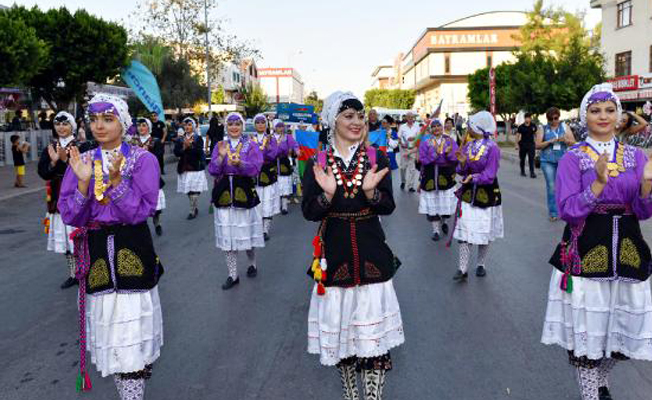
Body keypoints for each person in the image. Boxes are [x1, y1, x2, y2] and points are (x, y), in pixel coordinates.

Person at [541, 83, 652, 400]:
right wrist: (599, 186)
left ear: (618, 115)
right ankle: (591, 394)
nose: (603, 116)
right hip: (586, 252)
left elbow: (644, 212)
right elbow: (568, 210)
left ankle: (600, 382)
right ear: (584, 117)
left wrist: (646, 186)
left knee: (622, 335)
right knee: (588, 338)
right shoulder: (573, 157)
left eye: (609, 109)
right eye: (594, 110)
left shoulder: (635, 155)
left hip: (629, 253)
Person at [58, 93, 164, 399]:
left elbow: (140, 211)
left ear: (123, 122)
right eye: (93, 120)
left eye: (108, 119)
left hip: (133, 246)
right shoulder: (83, 161)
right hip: (97, 252)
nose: (99, 126)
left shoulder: (144, 160)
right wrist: (81, 184)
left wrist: (117, 181)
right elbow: (70, 215)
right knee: (113, 336)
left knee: (132, 334)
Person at [302, 91, 404, 400]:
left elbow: (388, 207)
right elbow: (309, 211)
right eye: (348, 116)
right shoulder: (319, 162)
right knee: (344, 340)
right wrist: (328, 195)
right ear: (333, 121)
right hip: (335, 258)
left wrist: (372, 193)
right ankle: (351, 395)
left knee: (373, 342)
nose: (357, 122)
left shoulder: (376, 158)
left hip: (372, 253)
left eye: (360, 116)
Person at [208, 112, 264, 290]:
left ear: (242, 126)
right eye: (230, 124)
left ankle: (252, 263)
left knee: (246, 231)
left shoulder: (251, 145)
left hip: (244, 191)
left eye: (237, 124)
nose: (233, 127)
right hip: (224, 192)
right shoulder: (220, 145)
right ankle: (233, 275)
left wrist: (240, 163)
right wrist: (221, 157)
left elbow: (256, 168)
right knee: (227, 235)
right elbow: (213, 170)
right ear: (226, 126)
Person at [38, 112, 94, 289]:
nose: (61, 127)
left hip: (77, 197)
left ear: (72, 126)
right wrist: (54, 163)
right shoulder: (50, 148)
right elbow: (43, 173)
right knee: (65, 241)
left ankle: (88, 270)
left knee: (81, 237)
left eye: (65, 124)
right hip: (56, 198)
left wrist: (64, 161)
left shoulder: (83, 146)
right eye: (58, 124)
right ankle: (73, 274)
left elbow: (87, 172)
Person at [452, 111, 504, 281]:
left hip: (486, 195)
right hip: (468, 194)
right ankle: (462, 269)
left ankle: (481, 264)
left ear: (478, 127)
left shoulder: (493, 148)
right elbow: (461, 171)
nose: (468, 128)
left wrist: (473, 177)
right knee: (465, 231)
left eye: (470, 126)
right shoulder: (468, 146)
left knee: (483, 231)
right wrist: (461, 162)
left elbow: (489, 175)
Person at [418, 119, 458, 241]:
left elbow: (456, 158)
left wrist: (447, 154)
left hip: (445, 176)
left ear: (442, 127)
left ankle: (445, 221)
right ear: (431, 129)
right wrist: (434, 154)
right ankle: (435, 231)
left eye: (438, 126)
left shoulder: (449, 141)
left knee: (445, 204)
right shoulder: (426, 142)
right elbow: (423, 160)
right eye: (434, 127)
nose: (436, 128)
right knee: (432, 204)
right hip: (430, 176)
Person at [536, 107, 576, 222]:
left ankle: (564, 210)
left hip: (563, 161)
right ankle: (553, 212)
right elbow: (537, 145)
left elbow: (573, 143)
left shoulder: (564, 127)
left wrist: (566, 141)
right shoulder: (542, 128)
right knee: (552, 187)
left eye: (556, 118)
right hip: (547, 161)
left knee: (564, 186)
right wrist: (549, 141)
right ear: (548, 119)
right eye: (552, 119)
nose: (554, 120)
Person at [130, 118, 166, 236]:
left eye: (144, 125)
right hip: (137, 176)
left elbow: (159, 156)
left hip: (151, 174)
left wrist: (148, 153)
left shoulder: (155, 141)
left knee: (155, 205)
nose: (141, 128)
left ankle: (157, 222)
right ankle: (142, 226)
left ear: (148, 127)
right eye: (139, 125)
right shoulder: (133, 142)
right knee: (139, 203)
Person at [251, 113, 280, 240]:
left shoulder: (271, 139)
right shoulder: (250, 139)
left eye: (263, 122)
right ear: (254, 125)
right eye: (258, 122)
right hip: (254, 175)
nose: (260, 124)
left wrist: (267, 146)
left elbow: (273, 155)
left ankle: (265, 230)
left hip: (268, 174)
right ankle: (257, 229)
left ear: (266, 124)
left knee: (267, 202)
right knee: (257, 203)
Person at [174, 117, 208, 219]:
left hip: (195, 166)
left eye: (189, 125)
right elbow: (176, 152)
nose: (187, 127)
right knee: (189, 190)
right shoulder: (180, 139)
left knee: (195, 190)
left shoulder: (198, 138)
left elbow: (199, 152)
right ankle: (194, 206)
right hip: (184, 166)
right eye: (185, 125)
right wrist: (184, 148)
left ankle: (192, 211)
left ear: (193, 126)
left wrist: (190, 146)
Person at [274, 119, 299, 214]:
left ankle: (284, 207)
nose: (280, 128)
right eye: (278, 126)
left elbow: (295, 145)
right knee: (275, 186)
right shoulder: (270, 138)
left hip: (284, 163)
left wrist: (294, 150)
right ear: (274, 127)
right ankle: (276, 206)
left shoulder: (287, 137)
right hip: (274, 164)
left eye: (281, 126)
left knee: (284, 185)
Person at [398, 111, 420, 192]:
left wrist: (414, 138)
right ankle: (403, 181)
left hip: (413, 149)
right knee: (403, 167)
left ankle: (410, 186)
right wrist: (401, 144)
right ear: (406, 118)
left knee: (412, 169)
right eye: (409, 117)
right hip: (404, 149)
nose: (410, 119)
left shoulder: (417, 127)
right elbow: (399, 137)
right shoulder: (402, 127)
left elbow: (419, 138)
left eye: (412, 117)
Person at [516, 112, 538, 178]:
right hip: (523, 144)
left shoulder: (533, 126)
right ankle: (522, 171)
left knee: (531, 159)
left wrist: (537, 143)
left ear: (530, 119)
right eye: (526, 118)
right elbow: (517, 136)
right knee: (522, 159)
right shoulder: (521, 127)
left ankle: (532, 173)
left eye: (529, 118)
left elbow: (536, 134)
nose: (527, 119)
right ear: (525, 119)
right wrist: (516, 145)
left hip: (531, 145)